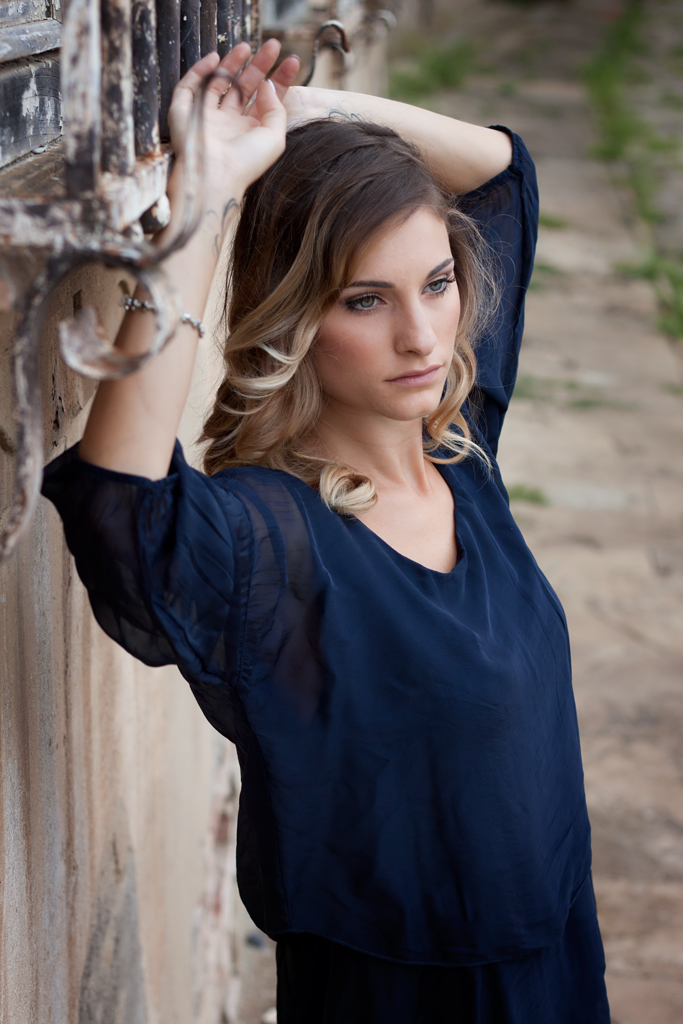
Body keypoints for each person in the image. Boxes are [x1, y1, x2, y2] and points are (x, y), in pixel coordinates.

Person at [41, 39, 611, 1024]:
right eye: (364, 300)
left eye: (436, 283)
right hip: (400, 999)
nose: (421, 337)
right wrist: (207, 195)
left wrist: (306, 115)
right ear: (295, 316)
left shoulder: (457, 452)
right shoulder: (270, 543)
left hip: (557, 962)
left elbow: (500, 171)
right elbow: (121, 500)